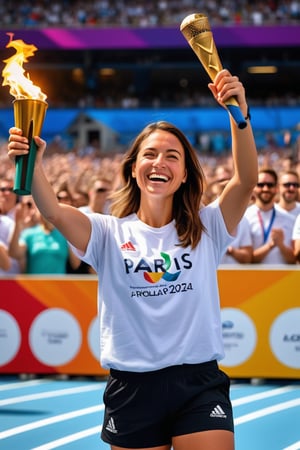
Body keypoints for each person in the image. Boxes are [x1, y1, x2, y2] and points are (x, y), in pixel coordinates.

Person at [8, 69, 257, 450]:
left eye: (172, 156)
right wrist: (35, 161)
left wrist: (238, 115)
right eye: (150, 154)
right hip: (133, 387)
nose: (160, 162)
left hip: (199, 385)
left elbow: (245, 181)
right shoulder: (106, 232)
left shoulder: (209, 224)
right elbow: (55, 212)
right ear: (134, 168)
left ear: (185, 173)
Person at [245, 168, 296, 264]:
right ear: (254, 188)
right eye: (260, 185)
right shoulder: (244, 218)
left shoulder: (289, 219)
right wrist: (270, 246)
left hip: (284, 278)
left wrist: (281, 245)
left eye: (270, 185)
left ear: (276, 188)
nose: (265, 189)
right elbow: (247, 259)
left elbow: (294, 260)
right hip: (252, 278)